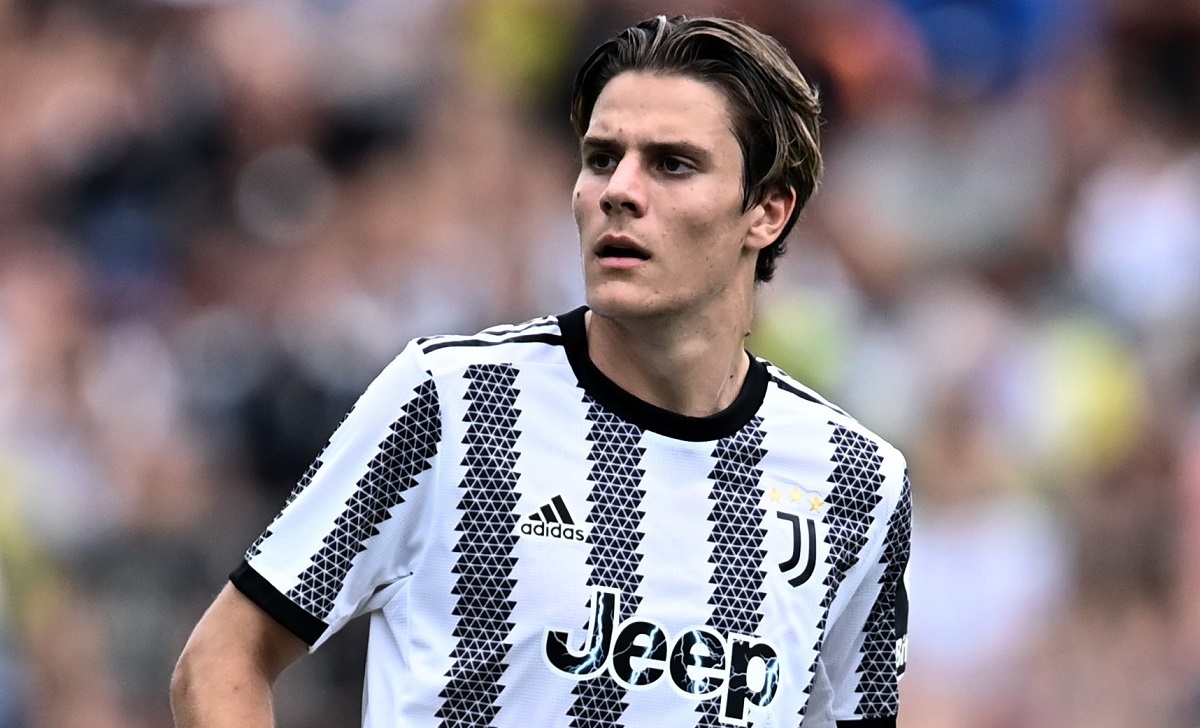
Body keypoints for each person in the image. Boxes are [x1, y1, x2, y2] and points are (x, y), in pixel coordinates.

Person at [171, 14, 912, 728]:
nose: (619, 190)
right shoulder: (454, 401)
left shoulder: (857, 483)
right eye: (601, 158)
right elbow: (221, 660)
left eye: (672, 164)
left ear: (768, 212)